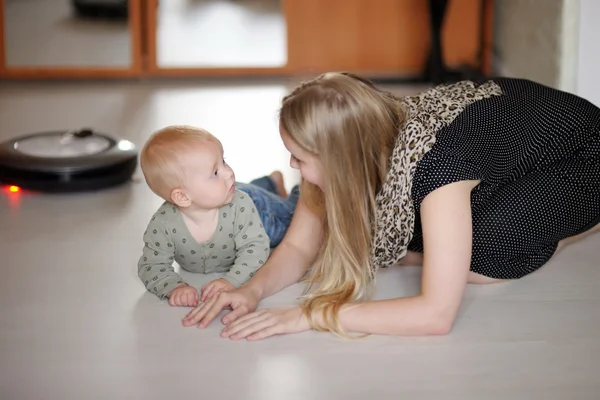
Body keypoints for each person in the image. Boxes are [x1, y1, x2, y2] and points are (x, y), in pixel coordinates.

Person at [181, 73, 600, 340]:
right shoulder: (362, 141)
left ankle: (570, 230)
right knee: (437, 232)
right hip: (503, 131)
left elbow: (436, 315)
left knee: (485, 250)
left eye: (301, 159)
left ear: (342, 163)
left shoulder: (441, 168)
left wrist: (309, 316)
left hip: (584, 153)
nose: (292, 165)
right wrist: (251, 290)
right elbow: (296, 249)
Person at [138, 125, 299, 307]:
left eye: (224, 161)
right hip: (228, 193)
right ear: (182, 197)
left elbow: (255, 250)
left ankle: (281, 187)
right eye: (215, 172)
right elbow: (151, 266)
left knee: (290, 220)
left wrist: (231, 281)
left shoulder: (241, 206)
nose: (228, 171)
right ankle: (268, 182)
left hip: (258, 211)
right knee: (247, 188)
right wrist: (174, 287)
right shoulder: (164, 223)